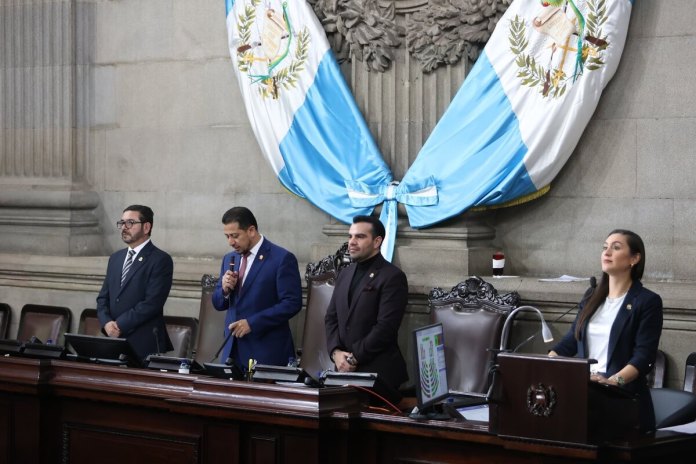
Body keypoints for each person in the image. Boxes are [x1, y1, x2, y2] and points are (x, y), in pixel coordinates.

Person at [549, 229, 663, 432]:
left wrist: (612, 382)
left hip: (622, 399)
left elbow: (644, 357)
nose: (607, 252)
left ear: (634, 259)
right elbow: (572, 341)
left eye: (616, 247)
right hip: (585, 393)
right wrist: (548, 362)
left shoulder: (647, 301)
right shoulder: (591, 296)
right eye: (604, 247)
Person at [325, 215, 409, 403]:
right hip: (342, 372)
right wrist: (335, 352)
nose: (351, 242)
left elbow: (385, 328)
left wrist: (353, 360)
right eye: (350, 236)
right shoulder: (345, 273)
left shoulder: (392, 277)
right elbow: (331, 318)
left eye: (360, 237)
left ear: (377, 241)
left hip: (378, 376)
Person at [211, 206, 302, 368]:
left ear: (251, 230)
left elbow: (292, 303)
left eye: (235, 236)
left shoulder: (281, 259)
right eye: (227, 236)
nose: (230, 242)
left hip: (266, 353)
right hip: (231, 351)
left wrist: (252, 323)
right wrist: (224, 290)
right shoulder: (229, 258)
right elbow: (218, 304)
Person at [97, 205, 173, 363]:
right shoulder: (116, 258)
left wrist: (119, 325)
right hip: (114, 341)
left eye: (130, 223)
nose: (124, 227)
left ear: (146, 227)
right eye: (122, 223)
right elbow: (103, 298)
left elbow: (152, 303)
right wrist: (106, 323)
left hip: (143, 343)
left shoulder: (160, 259)